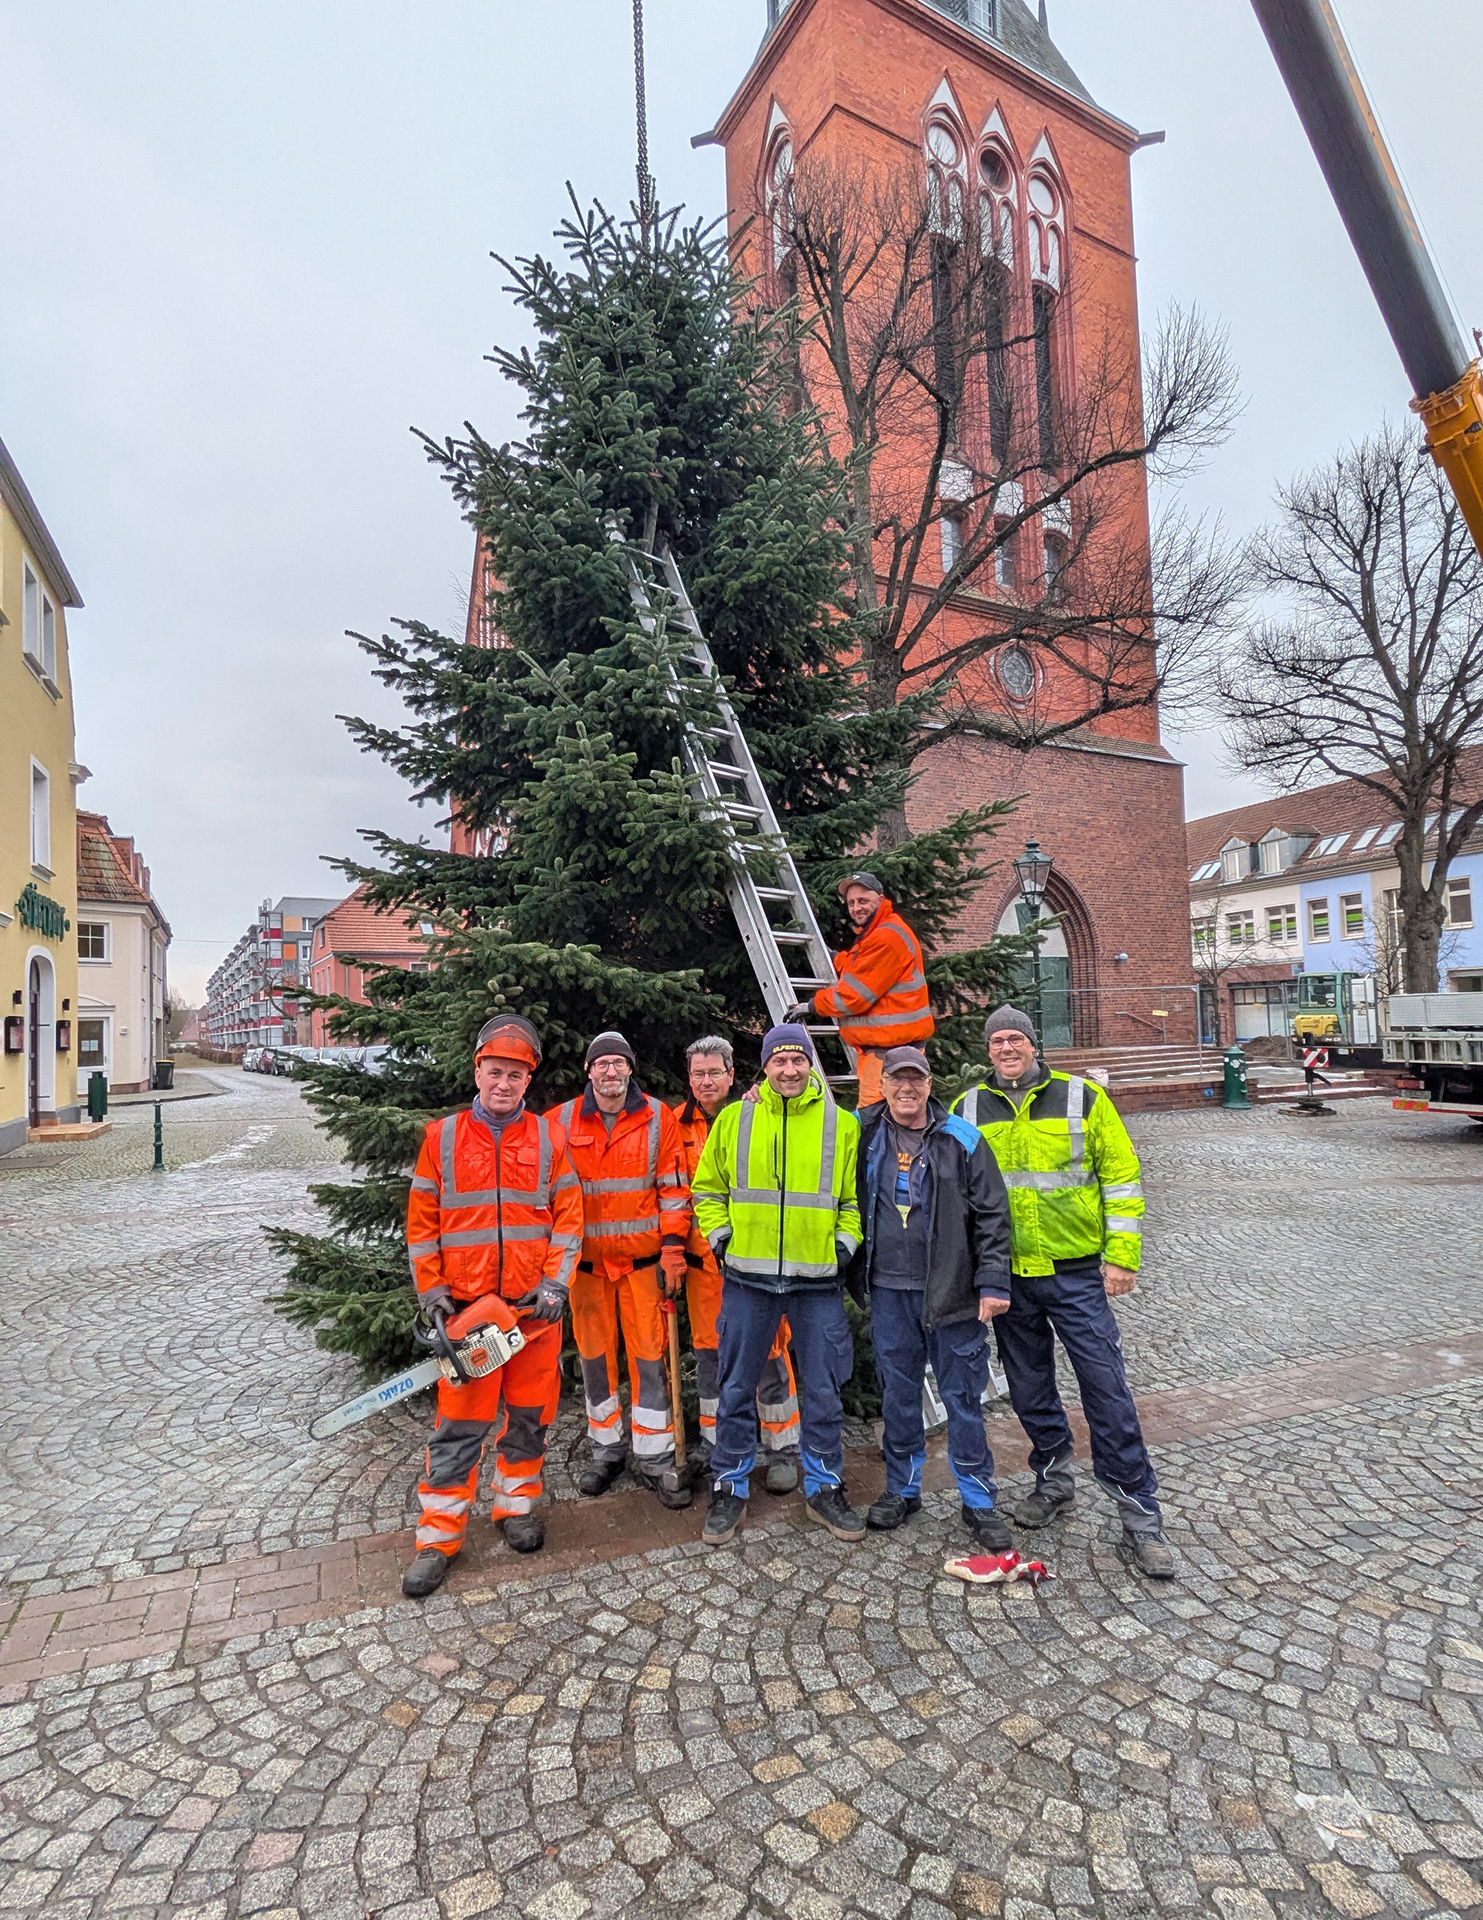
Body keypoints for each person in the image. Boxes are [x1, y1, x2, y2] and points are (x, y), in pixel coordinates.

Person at [952, 1006, 1173, 1579]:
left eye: (1016, 1039)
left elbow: (1122, 1179)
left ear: (1033, 1044)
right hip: (1009, 1278)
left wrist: (1121, 1258)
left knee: (1106, 1387)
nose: (1006, 1048)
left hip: (1076, 1273)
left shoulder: (1083, 1099)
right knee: (1028, 1386)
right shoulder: (968, 1108)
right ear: (988, 1050)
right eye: (997, 1040)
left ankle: (1139, 1512)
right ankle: (1053, 1477)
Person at [402, 1014, 583, 1597]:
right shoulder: (442, 1139)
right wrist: (431, 1292)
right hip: (469, 1315)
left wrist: (556, 1283)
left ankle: (516, 1506)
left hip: (533, 1314)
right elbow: (422, 1226)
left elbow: (570, 1219)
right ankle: (438, 1537)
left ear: (528, 1081)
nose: (504, 1084)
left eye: (515, 1075)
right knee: (458, 1427)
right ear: (477, 1071)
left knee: (529, 1419)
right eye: (495, 1071)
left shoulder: (550, 1138)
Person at [692, 1024, 864, 1547]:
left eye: (798, 1060)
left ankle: (825, 1487)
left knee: (822, 1391)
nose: (789, 1070)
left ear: (809, 1063)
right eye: (778, 1061)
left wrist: (842, 1247)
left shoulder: (842, 1124)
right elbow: (707, 1190)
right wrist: (722, 1242)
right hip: (748, 1280)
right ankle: (730, 1485)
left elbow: (854, 1202)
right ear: (764, 1067)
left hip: (817, 1285)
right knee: (736, 1388)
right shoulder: (734, 1118)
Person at [853, 1046, 1015, 1547]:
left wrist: (993, 1282)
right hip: (887, 1289)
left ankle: (978, 1498)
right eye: (897, 1080)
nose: (906, 1089)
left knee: (962, 1396)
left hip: (952, 1291)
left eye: (915, 1080)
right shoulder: (860, 1132)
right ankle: (903, 1489)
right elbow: (802, 1113)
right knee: (899, 1396)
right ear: (882, 1085)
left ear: (929, 1084)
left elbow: (992, 1214)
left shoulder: (962, 1139)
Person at [551, 1031, 693, 1509]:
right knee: (595, 1360)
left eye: (618, 1063)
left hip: (643, 1267)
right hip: (586, 1271)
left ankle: (654, 1457)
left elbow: (674, 1190)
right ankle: (606, 1450)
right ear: (588, 1071)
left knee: (650, 1358)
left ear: (631, 1069)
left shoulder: (659, 1118)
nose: (610, 1071)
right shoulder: (561, 1122)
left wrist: (674, 1248)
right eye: (601, 1064)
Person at [673, 1036, 802, 1493]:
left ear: (732, 1074)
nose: (706, 1081)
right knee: (711, 1358)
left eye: (714, 1072)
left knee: (770, 1355)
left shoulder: (760, 1112)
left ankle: (783, 1447)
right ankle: (719, 1444)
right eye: (697, 1074)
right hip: (703, 1267)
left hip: (757, 1264)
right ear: (689, 1079)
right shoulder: (674, 1127)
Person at [792, 872, 933, 1106]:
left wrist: (811, 1006)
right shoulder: (879, 933)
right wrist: (835, 959)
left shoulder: (885, 937)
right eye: (851, 903)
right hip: (888, 1053)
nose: (856, 908)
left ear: (880, 899)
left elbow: (852, 998)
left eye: (863, 901)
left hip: (888, 1056)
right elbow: (862, 969)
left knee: (878, 1123)